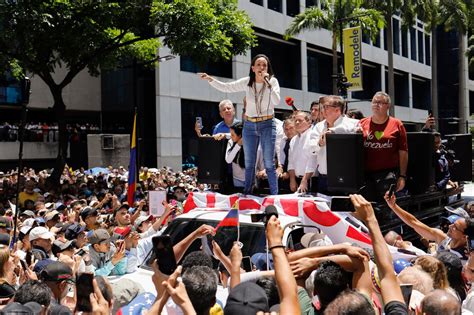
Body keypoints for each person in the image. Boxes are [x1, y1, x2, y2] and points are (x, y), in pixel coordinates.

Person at [200, 54, 281, 195]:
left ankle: (274, 195)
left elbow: (276, 101)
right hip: (249, 124)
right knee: (249, 163)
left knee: (269, 162)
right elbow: (227, 87)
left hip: (267, 123)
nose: (262, 67)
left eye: (264, 65)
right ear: (253, 68)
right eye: (259, 65)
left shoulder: (272, 82)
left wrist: (267, 83)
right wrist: (210, 80)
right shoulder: (248, 82)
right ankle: (247, 192)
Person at [385, 192, 470, 260]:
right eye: (453, 224)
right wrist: (394, 206)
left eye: (455, 227)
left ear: (464, 236)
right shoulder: (443, 239)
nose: (450, 226)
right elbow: (414, 222)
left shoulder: (467, 258)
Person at [358, 91, 408, 200]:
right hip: (366, 175)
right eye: (374, 102)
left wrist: (402, 176)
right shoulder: (361, 123)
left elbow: (403, 151)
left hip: (387, 174)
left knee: (386, 208)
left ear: (388, 106)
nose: (376, 104)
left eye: (380, 102)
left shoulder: (397, 124)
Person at [313, 95, 359, 193]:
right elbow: (310, 149)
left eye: (326, 107)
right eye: (323, 107)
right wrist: (320, 144)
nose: (322, 110)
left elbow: (351, 130)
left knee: (343, 208)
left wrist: (332, 131)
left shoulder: (354, 124)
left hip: (346, 178)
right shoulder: (318, 127)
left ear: (337, 110)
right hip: (323, 178)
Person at [288, 111, 317, 194]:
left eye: (300, 120)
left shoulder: (313, 136)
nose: (297, 123)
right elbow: (291, 162)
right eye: (295, 120)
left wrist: (305, 180)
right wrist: (292, 180)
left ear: (309, 122)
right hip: (297, 181)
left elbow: (313, 160)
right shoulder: (293, 140)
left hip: (310, 181)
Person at [225, 122, 245, 189]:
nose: (231, 136)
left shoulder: (249, 142)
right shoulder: (230, 142)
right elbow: (228, 160)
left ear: (240, 135)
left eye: (233, 135)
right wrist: (238, 145)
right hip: (237, 179)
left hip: (250, 179)